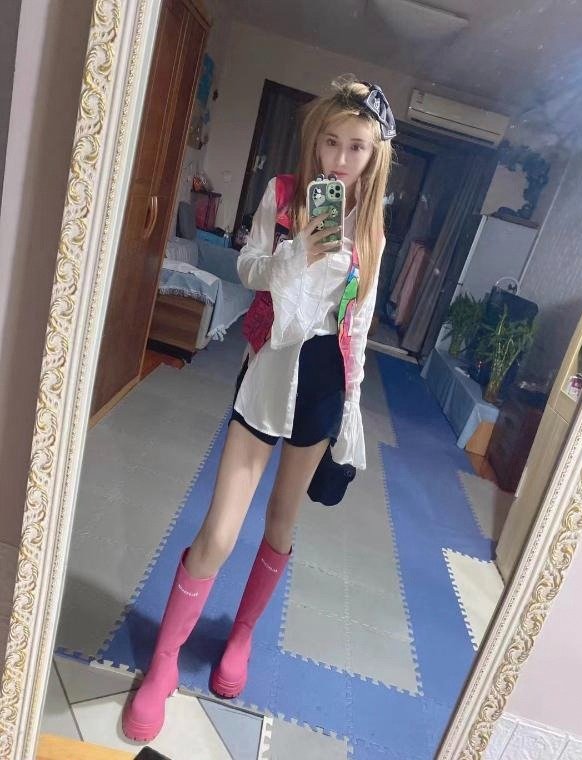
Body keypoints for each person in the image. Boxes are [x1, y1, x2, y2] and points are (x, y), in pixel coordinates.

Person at [122, 75, 395, 742]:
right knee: (219, 530)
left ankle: (241, 636)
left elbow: (357, 325)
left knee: (281, 521)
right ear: (315, 141)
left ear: (374, 156)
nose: (340, 159)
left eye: (356, 147)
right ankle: (164, 662)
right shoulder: (285, 195)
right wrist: (297, 250)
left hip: (325, 381)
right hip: (269, 369)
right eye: (331, 142)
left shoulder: (373, 230)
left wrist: (353, 408)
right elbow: (246, 271)